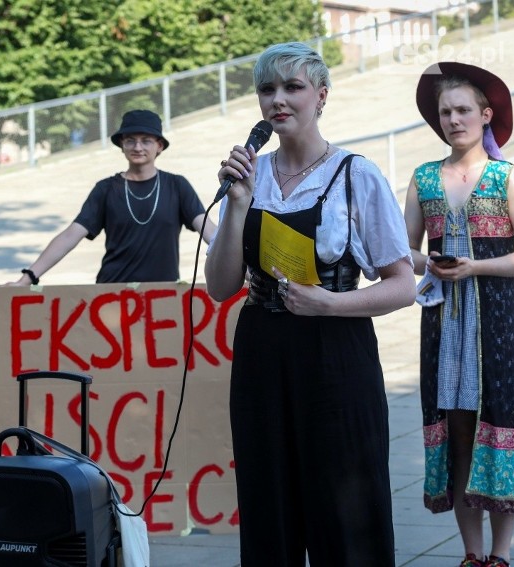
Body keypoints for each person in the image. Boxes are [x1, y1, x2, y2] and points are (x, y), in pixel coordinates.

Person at [205, 42, 416, 566]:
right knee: (267, 498)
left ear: (321, 96)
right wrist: (236, 204)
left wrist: (331, 304)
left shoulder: (355, 175)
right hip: (261, 349)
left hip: (336, 349)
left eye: (292, 87)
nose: (278, 100)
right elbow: (219, 284)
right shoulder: (249, 177)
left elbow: (404, 283)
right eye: (267, 89)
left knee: (344, 501)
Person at [404, 61, 514, 567]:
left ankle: (501, 555)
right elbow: (403, 254)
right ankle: (472, 555)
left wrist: (475, 267)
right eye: (445, 111)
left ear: (486, 115)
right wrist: (436, 264)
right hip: (444, 325)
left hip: (497, 323)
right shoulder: (424, 179)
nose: (453, 119)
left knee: (501, 427)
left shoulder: (506, 176)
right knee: (459, 431)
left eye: (463, 109)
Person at [5, 109, 216, 286]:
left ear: (159, 146)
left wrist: (243, 268)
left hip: (162, 298)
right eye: (130, 140)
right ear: (122, 145)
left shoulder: (177, 186)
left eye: (146, 141)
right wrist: (27, 279)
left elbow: (209, 231)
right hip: (111, 295)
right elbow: (70, 236)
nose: (138, 147)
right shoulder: (106, 189)